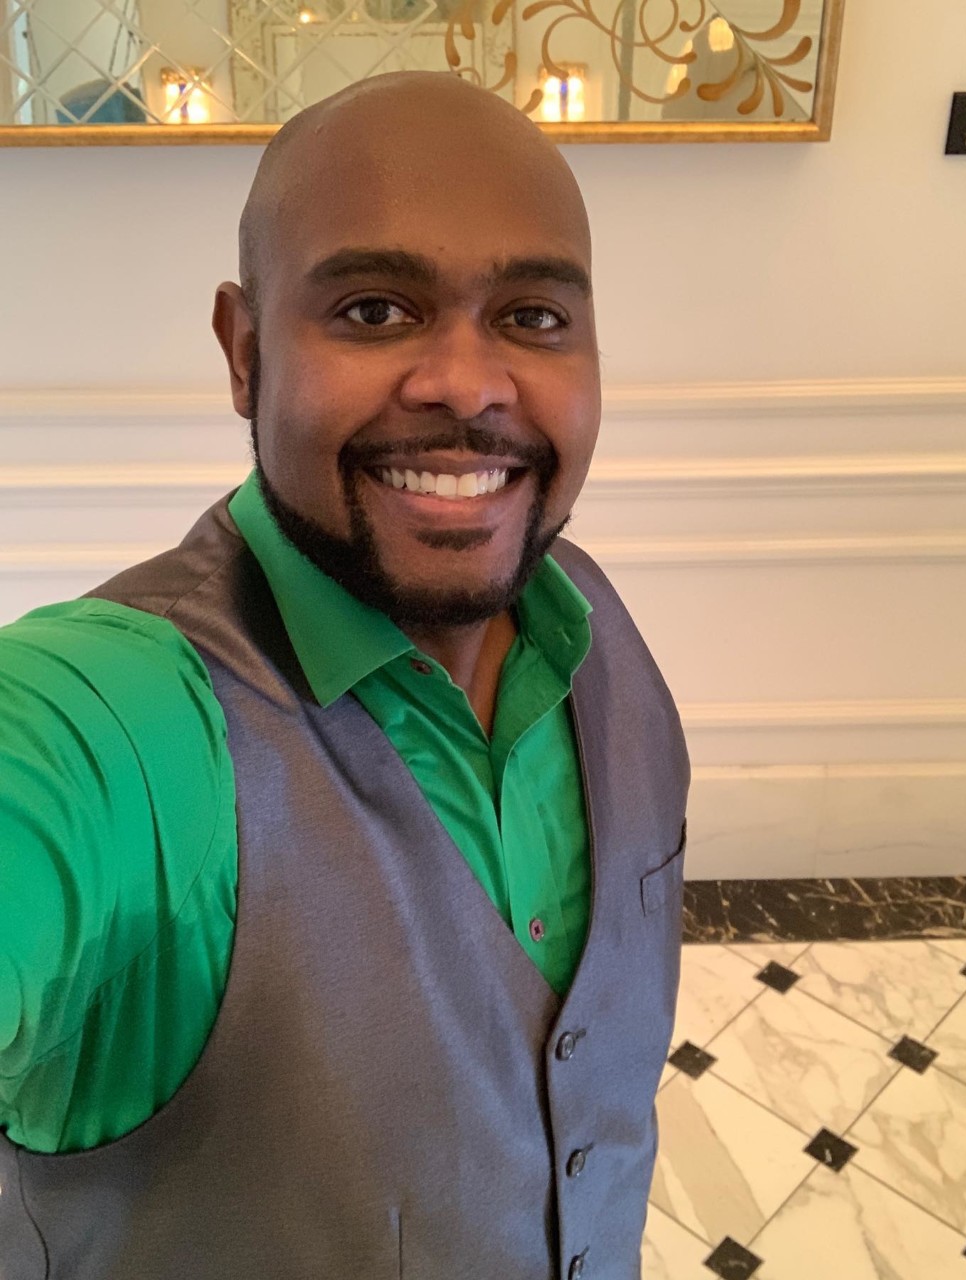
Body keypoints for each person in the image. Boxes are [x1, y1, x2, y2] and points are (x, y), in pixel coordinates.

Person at [0, 71, 688, 1279]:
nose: (468, 383)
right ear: (246, 351)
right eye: (375, 310)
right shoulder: (117, 717)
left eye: (532, 316)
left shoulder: (595, 623)